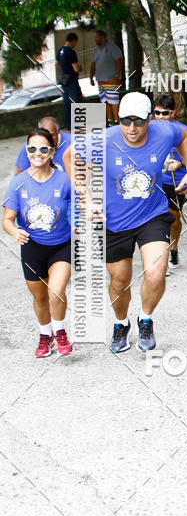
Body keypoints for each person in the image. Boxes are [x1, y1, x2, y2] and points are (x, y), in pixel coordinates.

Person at [62, 91, 187, 353]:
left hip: (152, 214)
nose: (131, 128)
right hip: (113, 220)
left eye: (138, 121)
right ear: (118, 120)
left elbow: (183, 139)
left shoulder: (165, 130)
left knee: (156, 273)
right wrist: (85, 196)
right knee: (119, 281)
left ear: (149, 119)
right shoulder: (102, 140)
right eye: (125, 121)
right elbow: (70, 156)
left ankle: (145, 318)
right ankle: (121, 322)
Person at [2, 127, 73, 357]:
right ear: (27, 150)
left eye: (43, 148)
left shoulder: (64, 179)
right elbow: (8, 219)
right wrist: (14, 232)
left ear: (52, 152)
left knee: (56, 292)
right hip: (32, 247)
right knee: (40, 297)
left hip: (61, 244)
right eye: (32, 148)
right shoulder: (18, 183)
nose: (37, 153)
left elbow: (79, 206)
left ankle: (60, 332)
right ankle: (45, 336)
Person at [153, 93, 187, 270]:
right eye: (157, 113)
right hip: (156, 181)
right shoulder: (149, 129)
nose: (161, 117)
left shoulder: (182, 131)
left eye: (165, 113)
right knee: (157, 219)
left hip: (176, 181)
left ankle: (174, 249)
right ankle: (159, 257)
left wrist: (181, 162)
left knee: (173, 219)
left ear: (173, 113)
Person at [90, 29, 124, 124]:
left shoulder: (112, 47)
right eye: (95, 38)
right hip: (100, 81)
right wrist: (91, 77)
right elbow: (93, 64)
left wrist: (116, 75)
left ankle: (117, 121)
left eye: (97, 37)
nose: (96, 39)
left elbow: (119, 61)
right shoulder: (96, 50)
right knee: (105, 102)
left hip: (111, 80)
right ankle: (110, 121)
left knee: (113, 102)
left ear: (103, 37)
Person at [56, 32, 83, 130]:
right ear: (73, 41)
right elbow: (75, 68)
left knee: (66, 103)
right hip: (72, 80)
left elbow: (56, 63)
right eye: (75, 42)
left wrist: (64, 69)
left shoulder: (60, 51)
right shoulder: (71, 52)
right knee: (76, 101)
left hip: (64, 80)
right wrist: (80, 68)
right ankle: (78, 124)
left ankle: (68, 124)